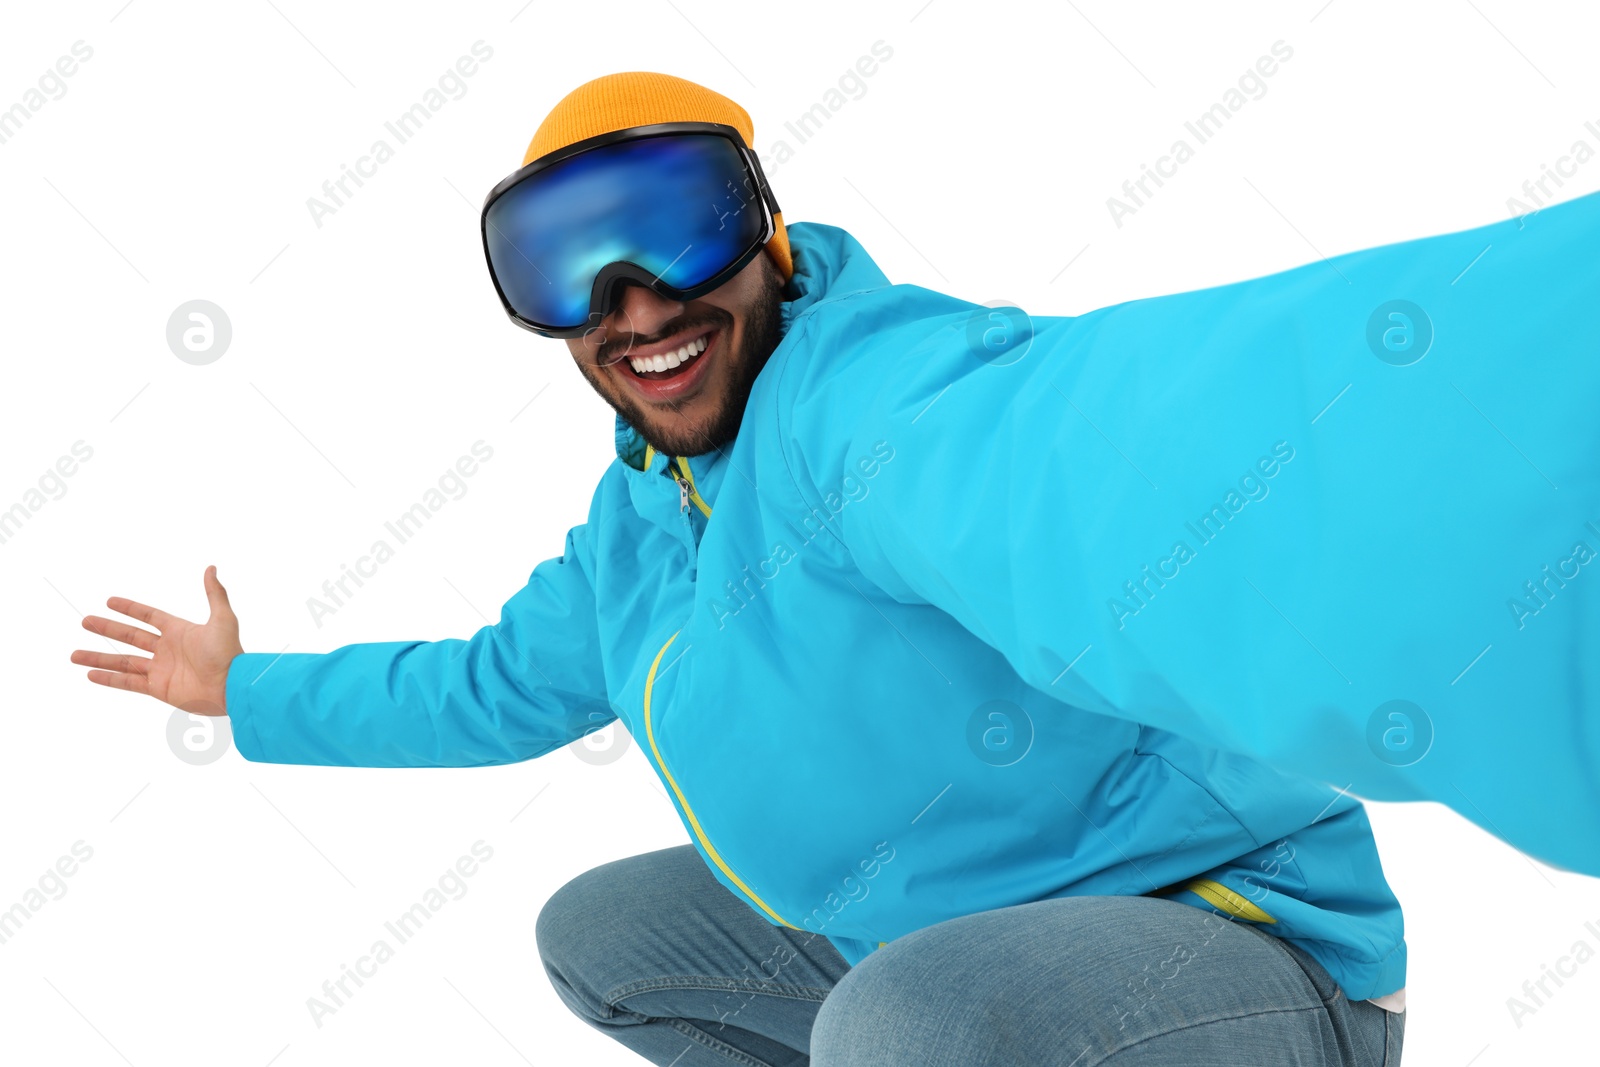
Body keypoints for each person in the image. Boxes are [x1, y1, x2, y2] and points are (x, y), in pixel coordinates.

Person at [72, 70, 1600, 1065]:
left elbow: (1101, 463)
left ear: (769, 238)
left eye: (676, 228)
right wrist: (244, 689)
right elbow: (482, 687)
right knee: (603, 937)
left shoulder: (872, 405)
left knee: (904, 1025)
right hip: (950, 936)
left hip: (1230, 945)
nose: (632, 303)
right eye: (565, 268)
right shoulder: (636, 532)